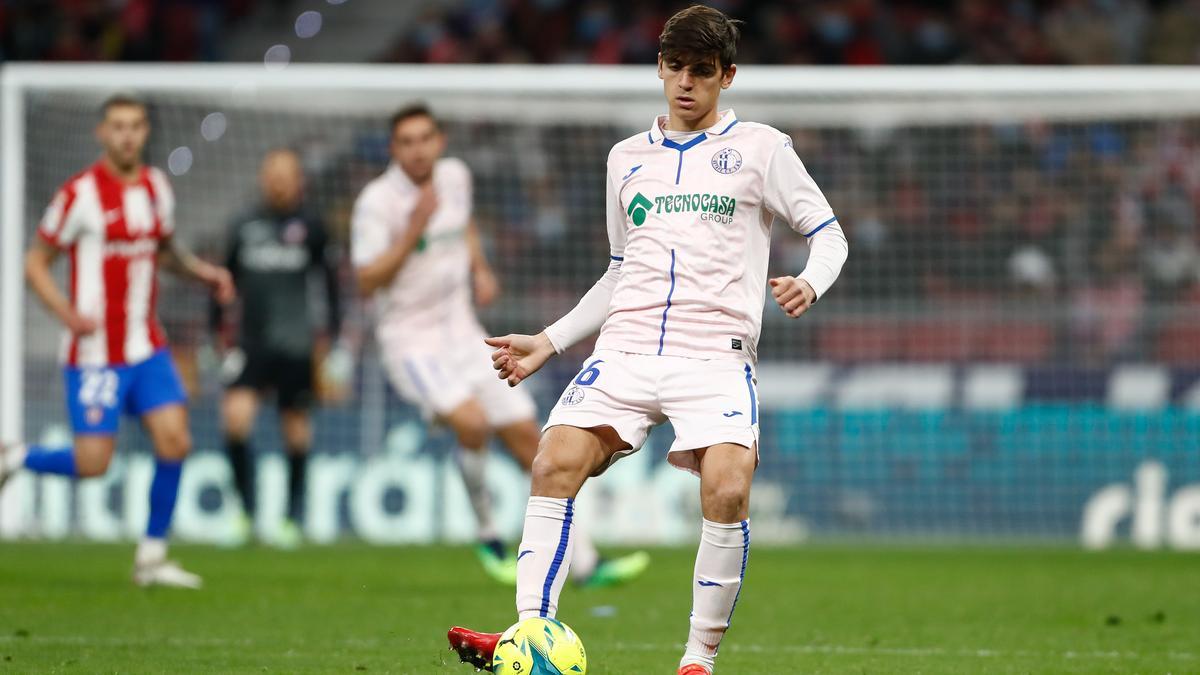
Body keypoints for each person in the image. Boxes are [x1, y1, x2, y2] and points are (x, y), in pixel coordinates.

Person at [446, 5, 849, 674]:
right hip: (626, 350)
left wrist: (812, 281)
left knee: (726, 487)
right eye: (675, 68)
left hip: (713, 357)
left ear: (727, 76)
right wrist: (551, 339)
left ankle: (697, 660)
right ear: (659, 69)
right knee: (552, 462)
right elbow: (618, 268)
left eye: (701, 71)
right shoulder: (626, 158)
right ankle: (528, 635)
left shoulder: (762, 149)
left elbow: (829, 233)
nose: (685, 83)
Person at [351, 104, 648, 586]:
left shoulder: (454, 176)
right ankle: (488, 533)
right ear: (393, 148)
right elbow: (366, 281)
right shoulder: (376, 203)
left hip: (462, 330)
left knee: (533, 441)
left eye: (425, 138)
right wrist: (413, 230)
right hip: (411, 342)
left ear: (439, 141)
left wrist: (480, 266)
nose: (418, 149)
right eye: (406, 141)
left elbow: (462, 222)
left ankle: (586, 561)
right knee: (471, 422)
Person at [0, 93, 236, 588]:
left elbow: (164, 251)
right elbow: (34, 262)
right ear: (101, 133)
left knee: (175, 440)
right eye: (117, 126)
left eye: (135, 126)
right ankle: (15, 458)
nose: (127, 135)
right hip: (95, 354)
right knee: (93, 464)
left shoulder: (156, 187)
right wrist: (66, 313)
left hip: (146, 344)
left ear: (145, 131)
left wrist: (204, 274)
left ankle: (151, 558)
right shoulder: (79, 194)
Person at [209, 148, 344, 548]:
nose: (280, 182)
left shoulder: (313, 226)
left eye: (287, 174)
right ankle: (244, 512)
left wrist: (332, 341)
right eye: (273, 175)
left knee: (296, 434)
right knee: (235, 421)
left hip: (297, 345)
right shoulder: (244, 225)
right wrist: (217, 334)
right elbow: (222, 283)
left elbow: (331, 286)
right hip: (250, 343)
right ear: (263, 179)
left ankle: (288, 519)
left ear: (298, 179)